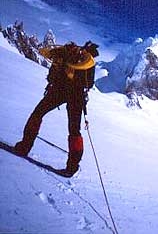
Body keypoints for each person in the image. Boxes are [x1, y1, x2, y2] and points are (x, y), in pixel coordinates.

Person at [14, 41, 99, 176]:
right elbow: (88, 85)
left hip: (59, 90)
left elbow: (45, 54)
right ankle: (72, 167)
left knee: (38, 113)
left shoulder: (64, 54)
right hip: (75, 96)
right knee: (74, 130)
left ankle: (24, 146)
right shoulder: (86, 62)